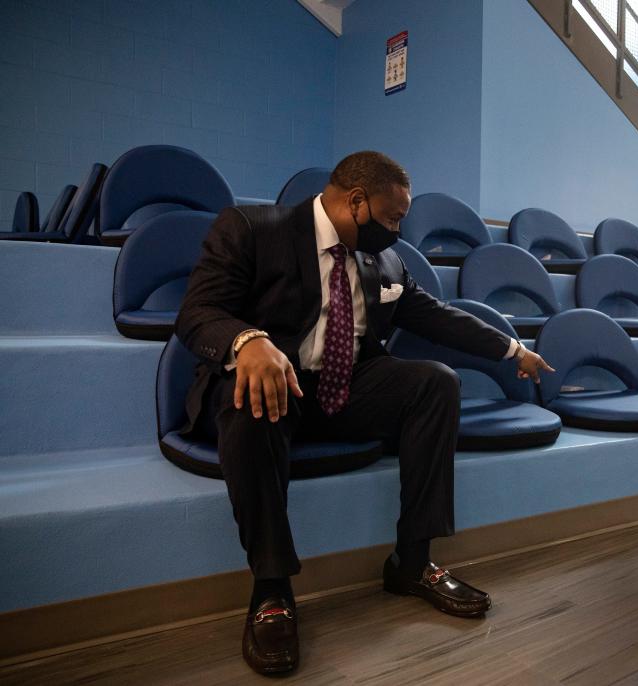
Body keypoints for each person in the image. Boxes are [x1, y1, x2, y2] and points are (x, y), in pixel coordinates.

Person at [175, 150, 554, 675]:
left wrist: (514, 350)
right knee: (250, 401)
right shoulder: (252, 228)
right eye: (393, 217)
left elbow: (439, 318)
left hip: (345, 388)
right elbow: (196, 312)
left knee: (435, 383)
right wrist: (248, 341)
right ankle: (272, 589)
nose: (399, 231)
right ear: (356, 202)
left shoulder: (387, 262)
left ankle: (412, 562)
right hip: (273, 385)